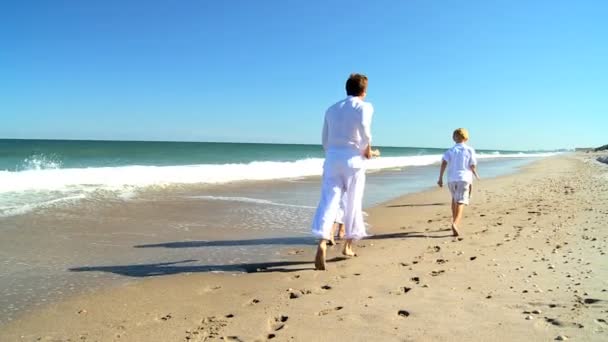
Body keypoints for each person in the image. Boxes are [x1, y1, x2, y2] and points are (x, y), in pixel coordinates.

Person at [311, 73, 375, 270]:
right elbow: (364, 130)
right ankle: (347, 246)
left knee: (329, 200)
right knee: (353, 202)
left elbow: (325, 139)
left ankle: (322, 240)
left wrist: (333, 153)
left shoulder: (331, 109)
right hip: (353, 160)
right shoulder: (365, 106)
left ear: (346, 88)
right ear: (364, 90)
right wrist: (368, 150)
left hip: (332, 159)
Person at [437, 128, 480, 236]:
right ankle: (455, 223)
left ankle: (453, 219)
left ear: (453, 138)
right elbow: (472, 165)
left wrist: (440, 178)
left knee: (454, 199)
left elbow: (444, 163)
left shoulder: (450, 151)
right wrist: (476, 174)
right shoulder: (470, 150)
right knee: (461, 201)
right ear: (466, 138)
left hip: (452, 179)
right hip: (464, 178)